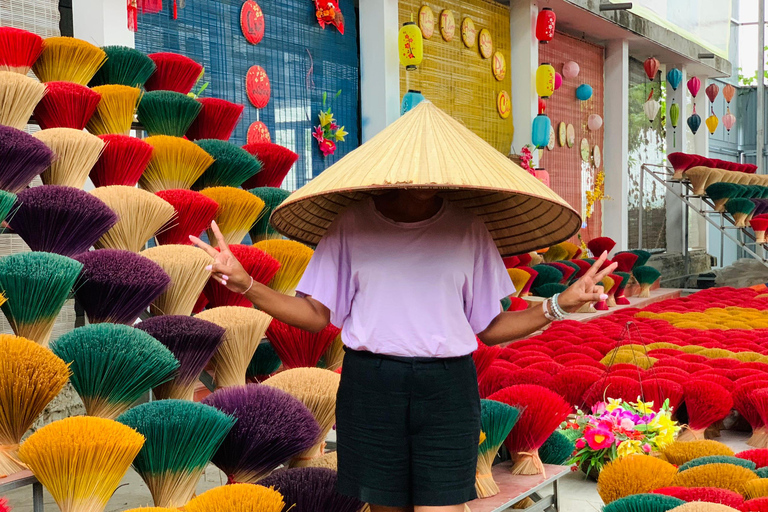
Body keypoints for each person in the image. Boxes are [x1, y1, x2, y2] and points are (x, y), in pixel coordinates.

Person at [191, 188, 617, 512]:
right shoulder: (351, 224)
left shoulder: (467, 227)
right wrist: (246, 283)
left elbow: (489, 328)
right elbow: (316, 315)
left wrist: (560, 303)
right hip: (370, 388)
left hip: (448, 390)